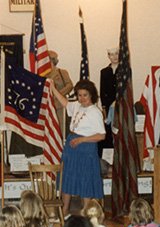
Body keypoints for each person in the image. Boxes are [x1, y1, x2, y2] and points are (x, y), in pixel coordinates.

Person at [50, 79, 105, 216]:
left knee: (85, 179)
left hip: (86, 148)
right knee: (67, 177)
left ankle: (86, 212)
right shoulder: (76, 106)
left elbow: (101, 135)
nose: (82, 98)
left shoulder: (95, 112)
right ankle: (65, 210)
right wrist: (53, 88)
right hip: (71, 145)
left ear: (91, 95)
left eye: (85, 95)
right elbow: (65, 103)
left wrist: (82, 139)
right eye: (79, 95)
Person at [47, 50, 73, 136]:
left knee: (60, 130)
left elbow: (69, 85)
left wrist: (58, 94)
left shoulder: (62, 72)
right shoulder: (42, 74)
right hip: (47, 106)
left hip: (59, 105)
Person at [98, 47, 119, 157]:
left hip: (120, 106)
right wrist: (105, 108)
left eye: (116, 54)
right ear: (108, 56)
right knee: (108, 133)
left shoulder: (125, 70)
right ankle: (108, 158)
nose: (114, 57)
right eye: (111, 54)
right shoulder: (104, 72)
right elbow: (102, 91)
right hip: (108, 105)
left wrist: (118, 102)